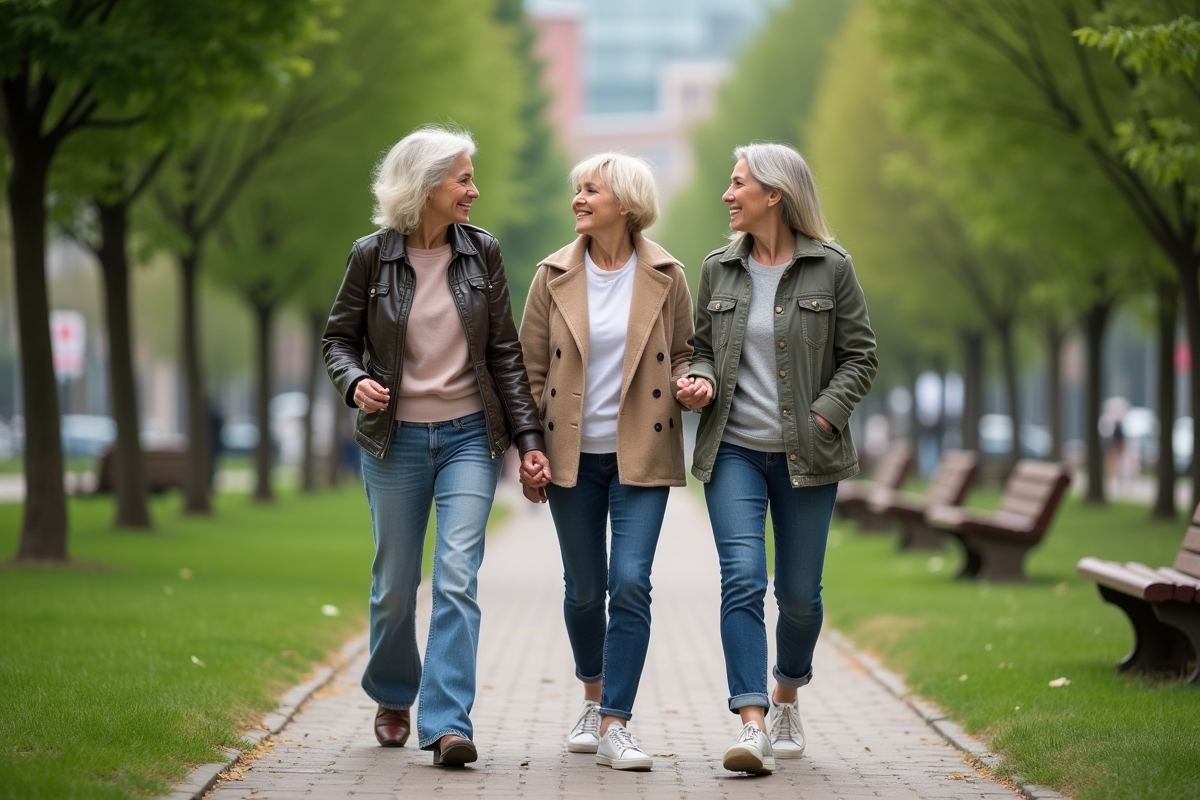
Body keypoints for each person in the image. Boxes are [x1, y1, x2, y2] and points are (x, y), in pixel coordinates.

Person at [323, 124, 550, 766]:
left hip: (469, 438)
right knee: (396, 582)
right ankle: (394, 693)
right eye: (463, 179)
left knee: (456, 575)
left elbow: (505, 353)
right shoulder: (371, 256)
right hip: (393, 441)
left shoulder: (483, 254)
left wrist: (528, 440)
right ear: (425, 187)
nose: (474, 191)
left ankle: (448, 722)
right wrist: (356, 380)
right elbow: (337, 340)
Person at [676, 142, 877, 774]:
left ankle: (788, 690)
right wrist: (699, 378)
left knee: (799, 598)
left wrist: (824, 413)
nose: (728, 195)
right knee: (741, 579)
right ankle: (753, 722)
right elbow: (699, 346)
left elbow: (861, 356)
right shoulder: (718, 269)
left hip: (807, 455)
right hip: (732, 450)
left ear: (775, 196)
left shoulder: (831, 268)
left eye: (738, 185)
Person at [517, 152, 694, 772]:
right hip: (571, 455)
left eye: (591, 190)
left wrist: (692, 380)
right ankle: (591, 694)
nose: (579, 200)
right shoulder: (551, 275)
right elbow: (529, 369)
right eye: (577, 190)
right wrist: (529, 448)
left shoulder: (668, 274)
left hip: (640, 450)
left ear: (625, 202)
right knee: (586, 590)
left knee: (631, 583)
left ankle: (616, 719)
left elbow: (686, 353)